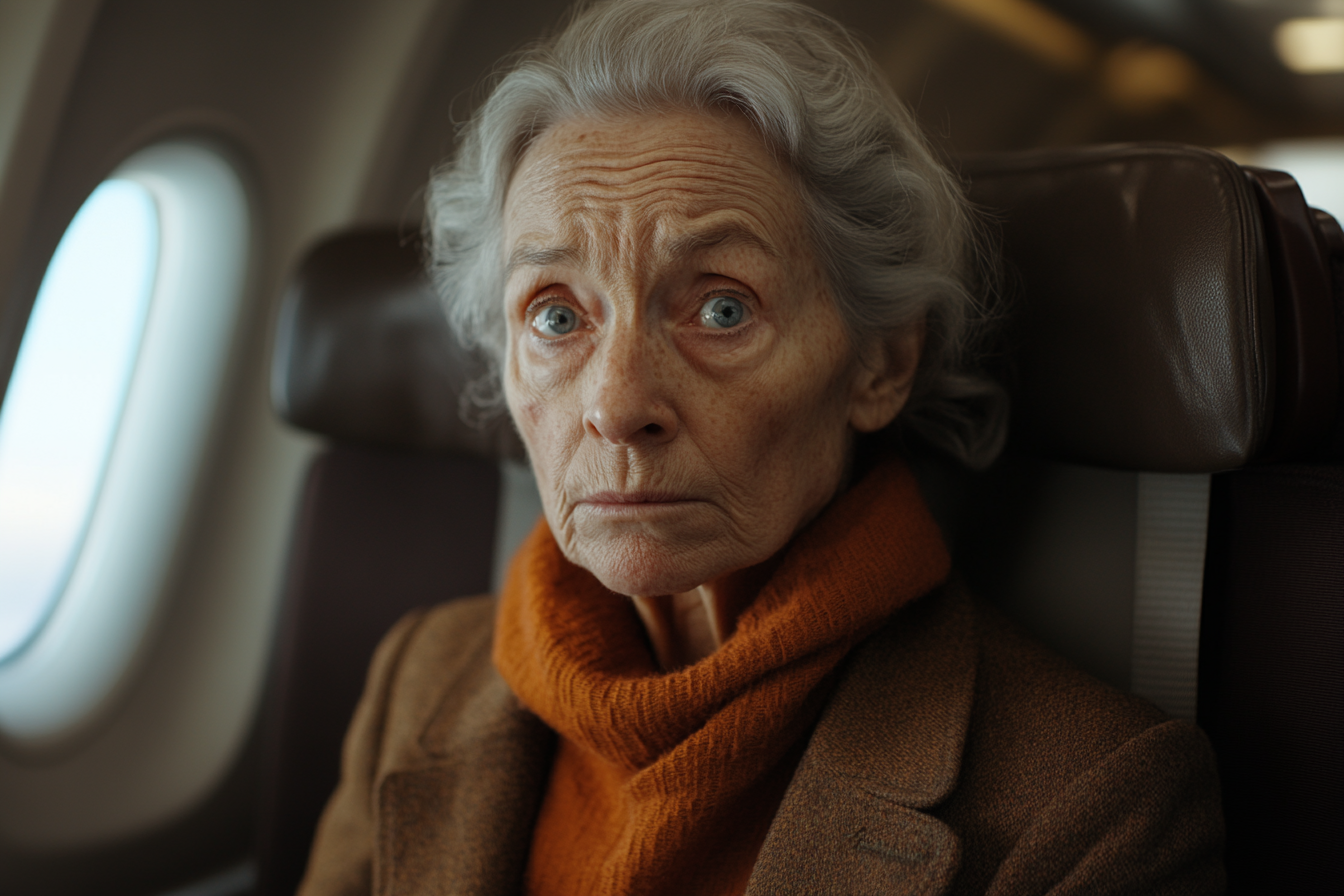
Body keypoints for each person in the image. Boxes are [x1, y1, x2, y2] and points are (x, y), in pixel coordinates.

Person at [298, 1, 1225, 893]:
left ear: (882, 364)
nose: (617, 405)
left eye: (721, 307)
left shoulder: (1091, 804)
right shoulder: (418, 676)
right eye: (555, 314)